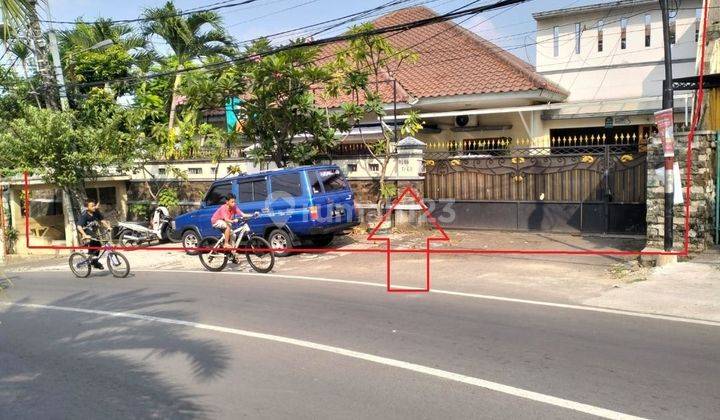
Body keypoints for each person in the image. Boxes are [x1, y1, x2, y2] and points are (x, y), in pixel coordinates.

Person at [77, 198, 111, 269]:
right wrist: (85, 235)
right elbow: (79, 227)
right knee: (95, 240)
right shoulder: (84, 215)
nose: (94, 207)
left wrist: (108, 227)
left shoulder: (96, 212)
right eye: (92, 206)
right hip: (85, 231)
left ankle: (94, 261)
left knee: (98, 245)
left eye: (94, 205)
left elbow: (102, 220)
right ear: (87, 207)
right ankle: (93, 260)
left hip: (93, 232)